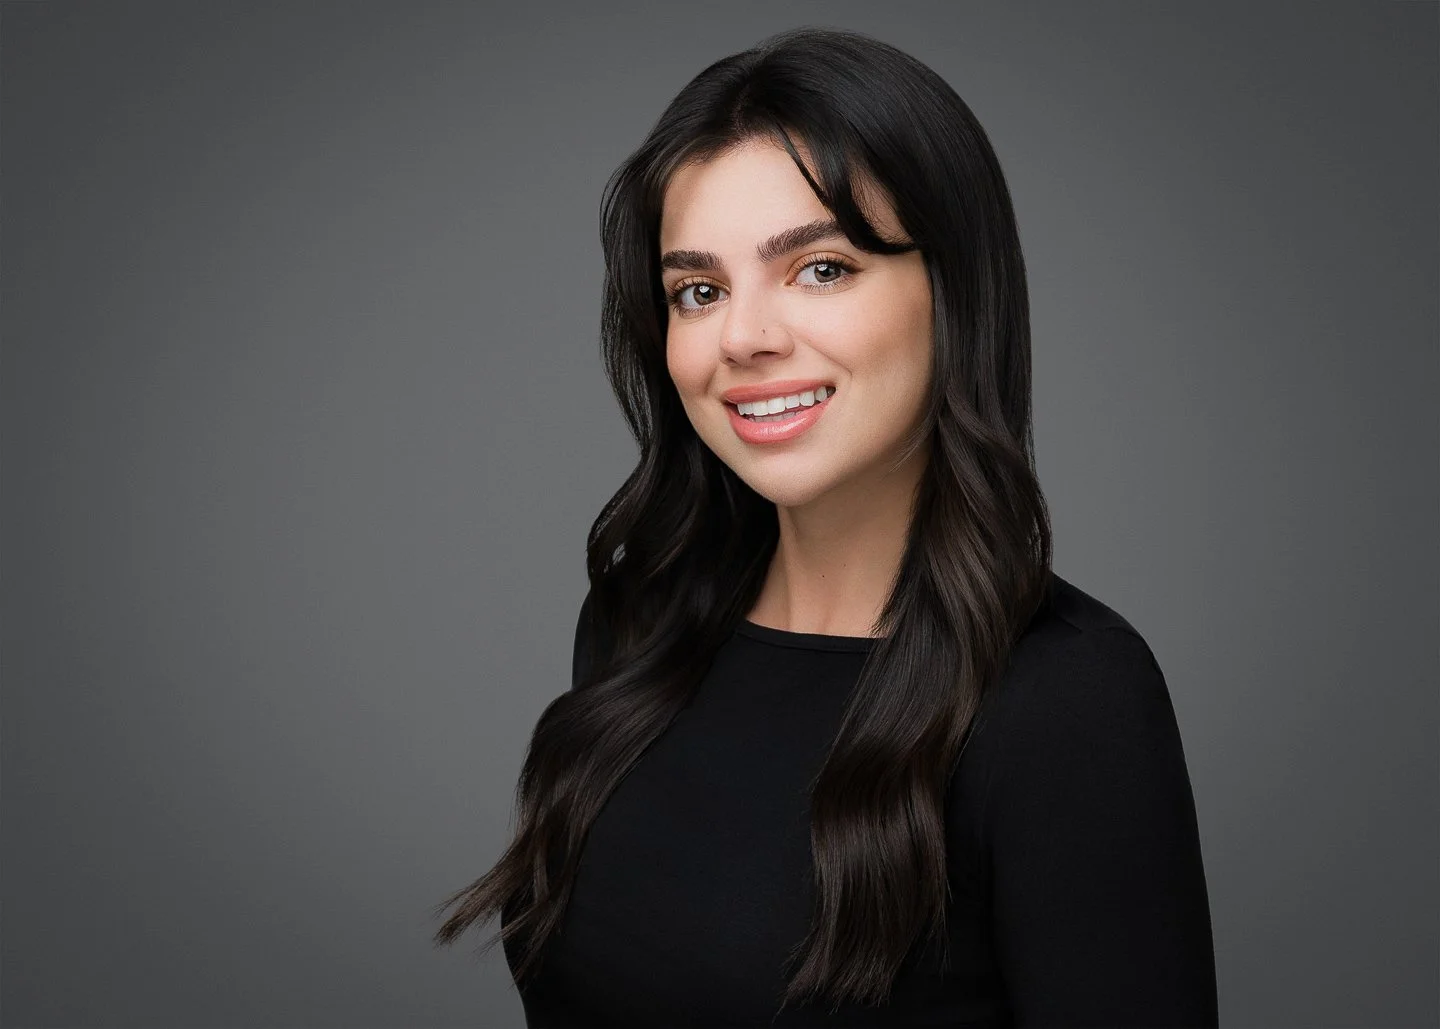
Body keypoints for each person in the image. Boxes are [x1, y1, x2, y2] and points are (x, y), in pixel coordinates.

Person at [433, 25, 1218, 1027]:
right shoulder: (641, 629)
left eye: (822, 268)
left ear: (953, 292)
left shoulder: (1066, 703)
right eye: (699, 290)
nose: (745, 337)